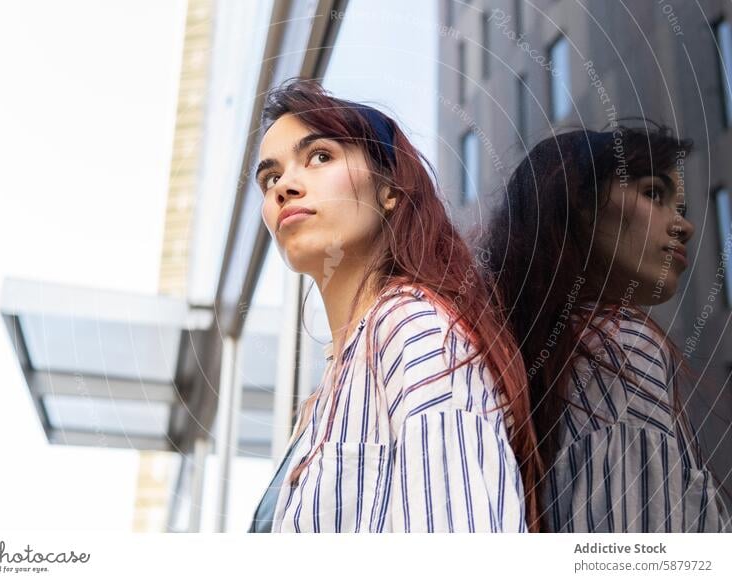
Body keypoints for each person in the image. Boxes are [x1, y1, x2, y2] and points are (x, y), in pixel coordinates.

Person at [247, 77, 542, 533]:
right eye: (271, 177)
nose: (284, 186)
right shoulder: (334, 384)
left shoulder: (415, 328)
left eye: (320, 156)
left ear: (389, 189)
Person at [482, 124, 731, 532]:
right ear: (579, 204)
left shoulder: (530, 357)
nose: (685, 226)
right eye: (654, 194)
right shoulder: (617, 345)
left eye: (680, 208)